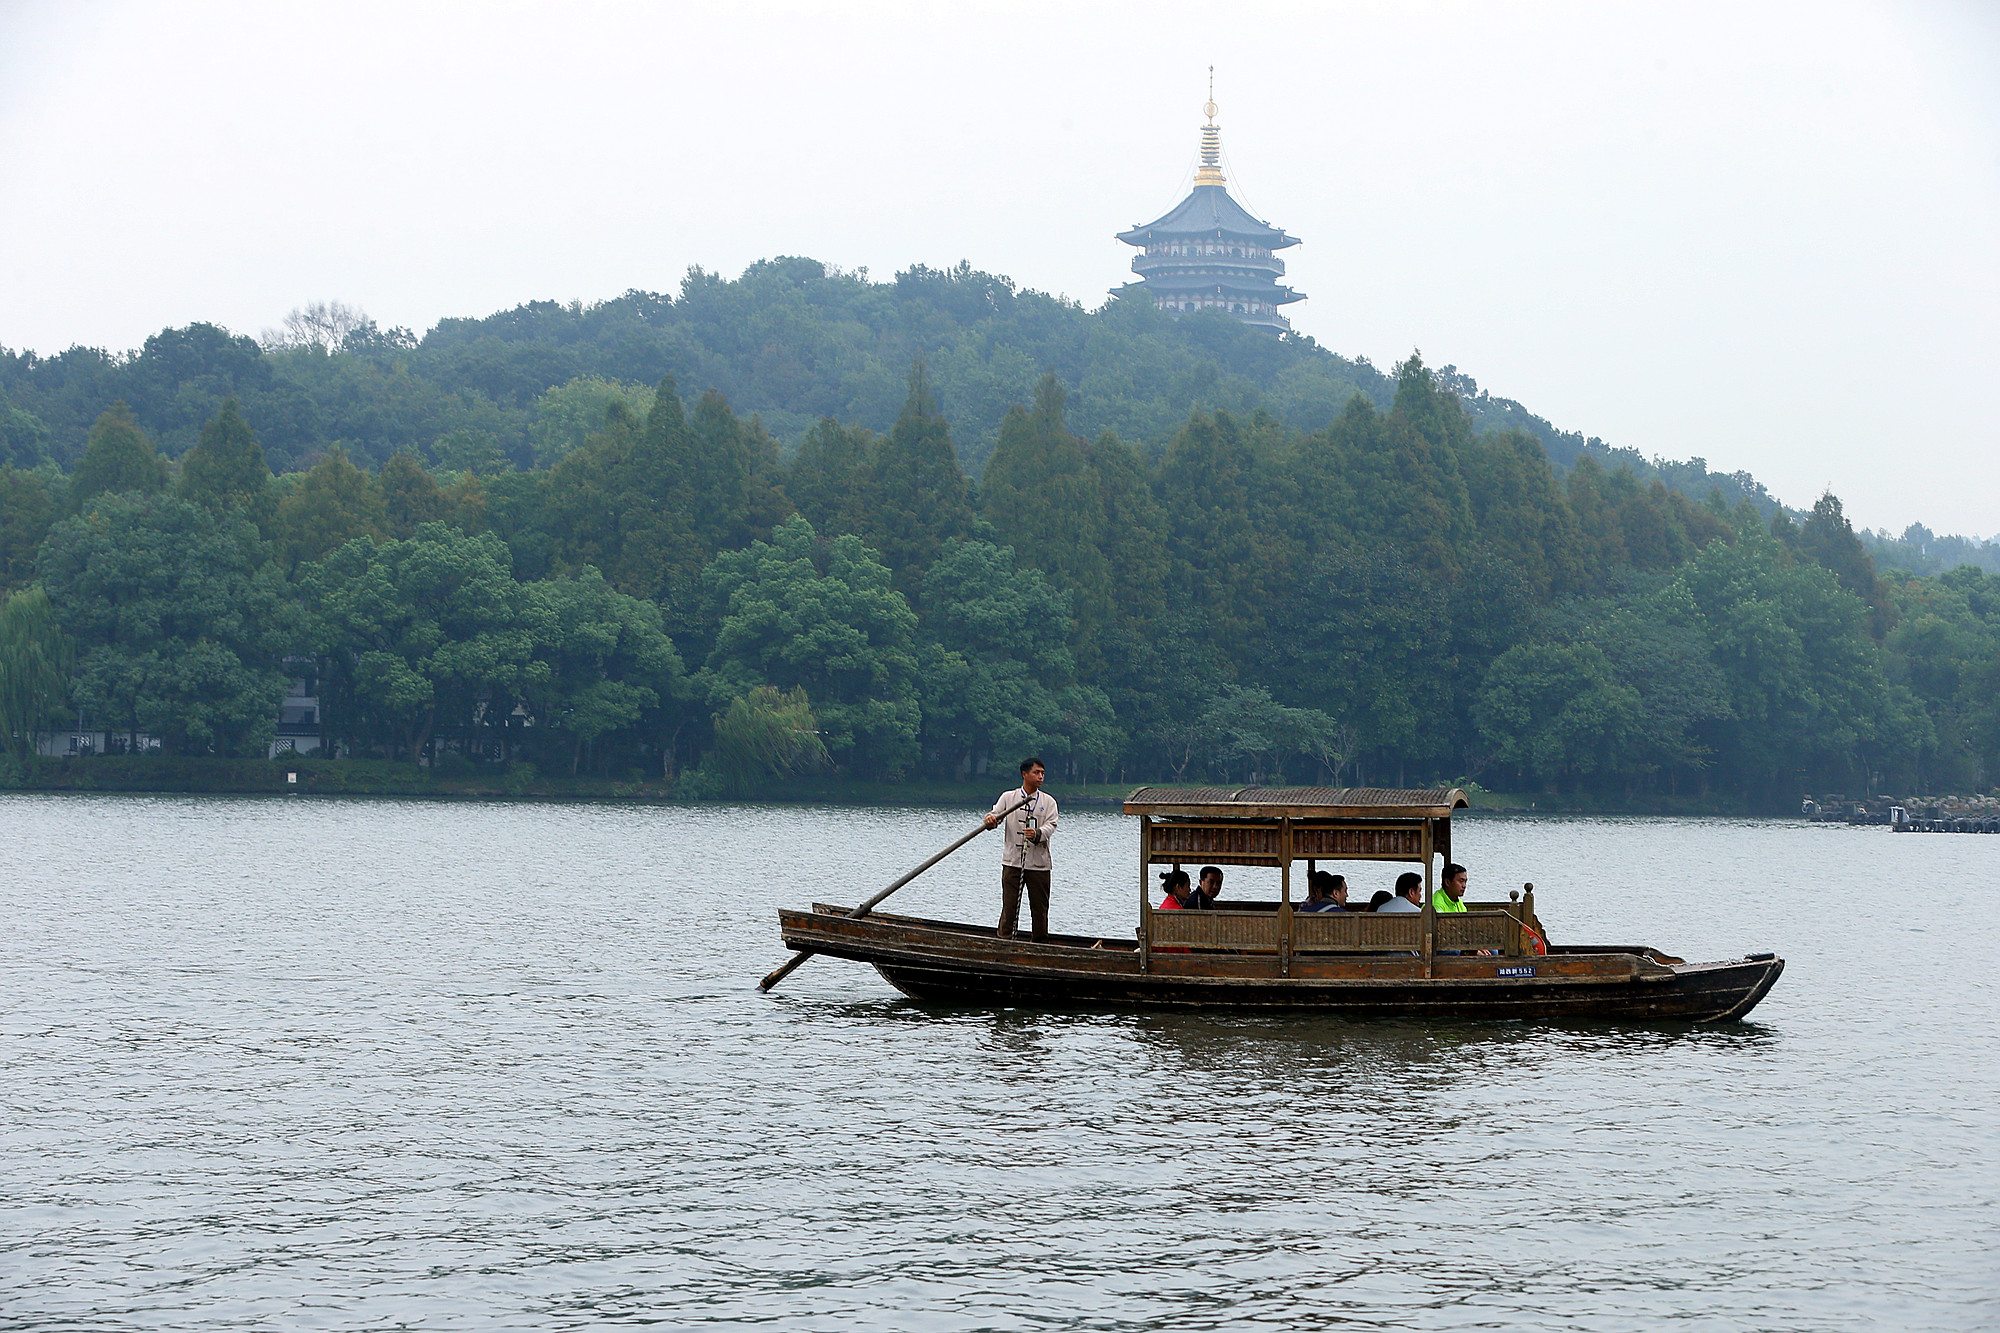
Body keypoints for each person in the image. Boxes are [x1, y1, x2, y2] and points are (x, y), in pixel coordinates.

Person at [983, 756, 1058, 941]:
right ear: (1025, 774)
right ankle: (1005, 941)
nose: (1040, 776)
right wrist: (990, 820)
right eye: (1036, 772)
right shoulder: (1009, 797)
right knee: (1009, 906)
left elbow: (1052, 825)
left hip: (1039, 864)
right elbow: (995, 816)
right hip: (1012, 862)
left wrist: (1037, 833)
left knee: (1039, 909)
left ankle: (1040, 944)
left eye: (1042, 773)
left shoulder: (1048, 802)